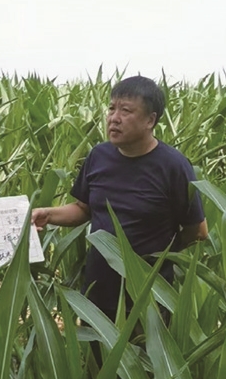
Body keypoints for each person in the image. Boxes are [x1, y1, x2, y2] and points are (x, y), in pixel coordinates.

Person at [32, 75, 207, 322]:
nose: (114, 118)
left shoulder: (173, 166)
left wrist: (156, 258)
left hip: (148, 296)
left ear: (150, 120)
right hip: (97, 292)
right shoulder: (98, 156)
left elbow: (197, 231)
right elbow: (84, 209)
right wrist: (48, 215)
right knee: (96, 347)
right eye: (112, 108)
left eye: (126, 111)